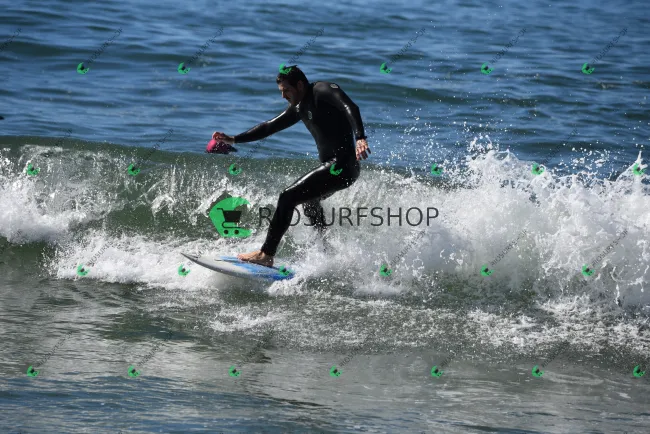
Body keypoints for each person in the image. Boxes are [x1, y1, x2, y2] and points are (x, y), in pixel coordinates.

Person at [211, 65, 370, 267]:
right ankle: (326, 252)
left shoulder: (322, 90)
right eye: (281, 91)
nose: (283, 96)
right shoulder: (299, 107)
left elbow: (351, 107)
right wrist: (234, 139)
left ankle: (266, 254)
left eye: (286, 90)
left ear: (300, 85)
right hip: (339, 168)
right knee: (309, 201)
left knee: (287, 197)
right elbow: (269, 126)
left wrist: (360, 137)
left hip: (342, 165)